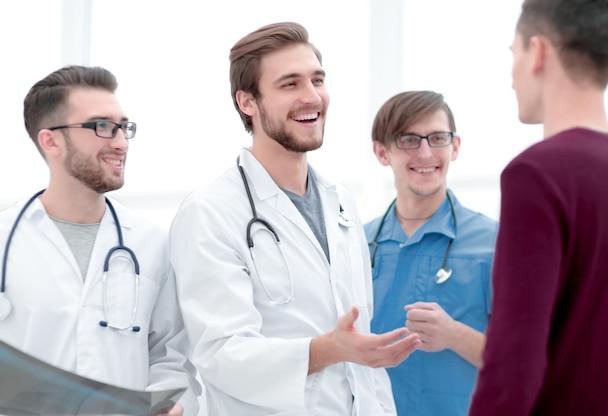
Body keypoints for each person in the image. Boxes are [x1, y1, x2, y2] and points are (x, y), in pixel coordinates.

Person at [169, 21, 421, 415]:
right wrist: (324, 351)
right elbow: (221, 355)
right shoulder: (210, 213)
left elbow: (363, 357)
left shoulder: (341, 204)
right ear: (247, 102)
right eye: (290, 84)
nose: (312, 97)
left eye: (317, 80)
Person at [0, 65, 200, 415]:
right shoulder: (5, 238)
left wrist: (173, 402)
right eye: (102, 127)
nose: (121, 142)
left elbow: (170, 355)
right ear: (51, 141)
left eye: (123, 127)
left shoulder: (151, 243)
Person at [468, 1, 608, 415]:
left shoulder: (537, 174)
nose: (511, 75)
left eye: (513, 53)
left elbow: (513, 362)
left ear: (537, 52)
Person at [364, 90, 498, 415]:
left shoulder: (495, 243)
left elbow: (524, 359)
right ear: (382, 152)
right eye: (409, 139)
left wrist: (454, 335)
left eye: (437, 138)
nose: (425, 153)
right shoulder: (357, 245)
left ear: (454, 147)